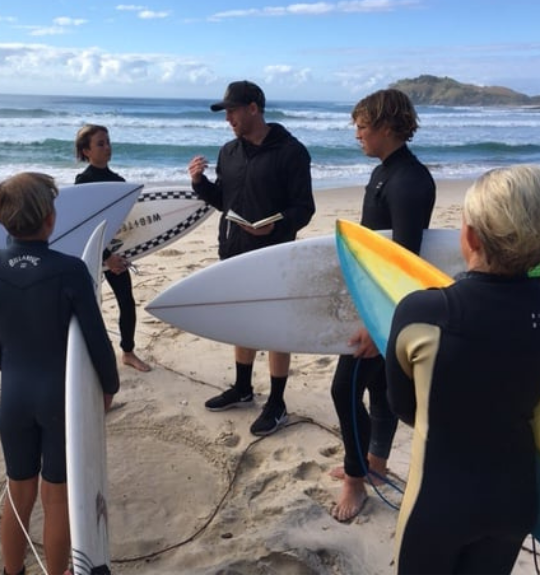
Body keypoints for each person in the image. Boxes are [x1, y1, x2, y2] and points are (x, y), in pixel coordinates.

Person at [385, 164, 540, 574]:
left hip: (440, 502)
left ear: (469, 236)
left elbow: (403, 405)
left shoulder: (424, 313)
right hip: (517, 496)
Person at [0, 172, 120, 575]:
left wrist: (17, 366)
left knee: (18, 490)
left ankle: (12, 572)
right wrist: (108, 386)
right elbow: (96, 339)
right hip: (59, 397)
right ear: (49, 218)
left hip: (14, 396)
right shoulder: (70, 271)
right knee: (57, 496)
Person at [329, 89, 435, 522]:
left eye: (362, 126)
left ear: (388, 128)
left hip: (388, 311)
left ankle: (356, 479)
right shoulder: (385, 173)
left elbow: (404, 263)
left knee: (343, 389)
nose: (357, 134)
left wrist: (379, 327)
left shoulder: (409, 182)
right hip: (374, 303)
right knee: (380, 393)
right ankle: (374, 463)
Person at [188, 80, 315, 437]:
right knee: (241, 318)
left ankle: (277, 402)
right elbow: (224, 201)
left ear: (253, 109)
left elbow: (304, 208)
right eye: (225, 112)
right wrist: (199, 184)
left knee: (275, 327)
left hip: (275, 253)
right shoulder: (228, 151)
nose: (228, 118)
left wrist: (273, 229)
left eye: (232, 110)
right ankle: (243, 388)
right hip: (233, 249)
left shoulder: (292, 152)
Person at [74, 124, 152, 372]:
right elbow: (85, 225)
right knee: (87, 306)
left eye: (108, 142)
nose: (107, 147)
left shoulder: (119, 183)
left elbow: (123, 226)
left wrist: (121, 255)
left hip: (116, 255)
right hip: (93, 255)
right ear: (86, 151)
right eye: (100, 143)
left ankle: (128, 352)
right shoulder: (83, 182)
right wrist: (107, 258)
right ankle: (85, 356)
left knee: (126, 303)